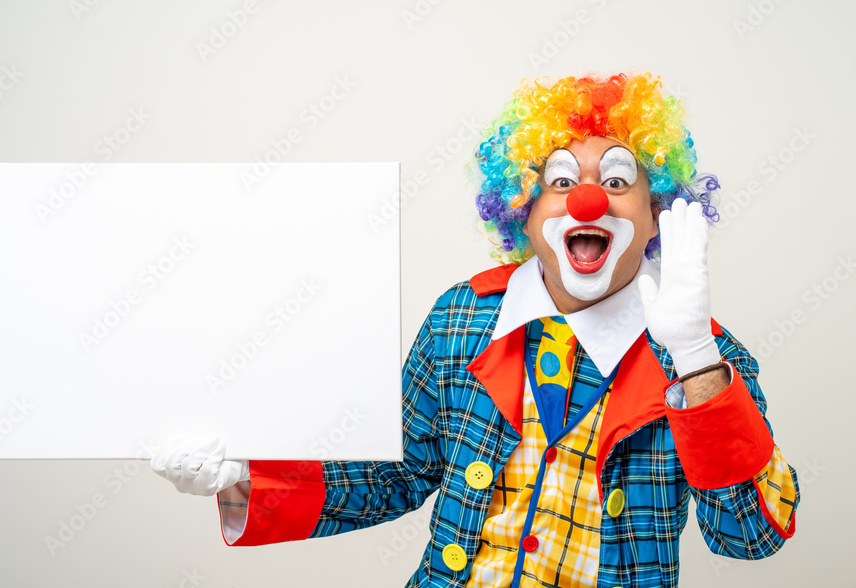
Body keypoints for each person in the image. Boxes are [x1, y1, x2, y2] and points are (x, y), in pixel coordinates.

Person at [151, 73, 799, 587]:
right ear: (525, 208)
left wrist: (692, 356)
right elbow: (396, 474)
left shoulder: (705, 360)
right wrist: (243, 475)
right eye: (562, 181)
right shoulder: (462, 316)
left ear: (657, 215)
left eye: (619, 180)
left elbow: (752, 537)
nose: (588, 199)